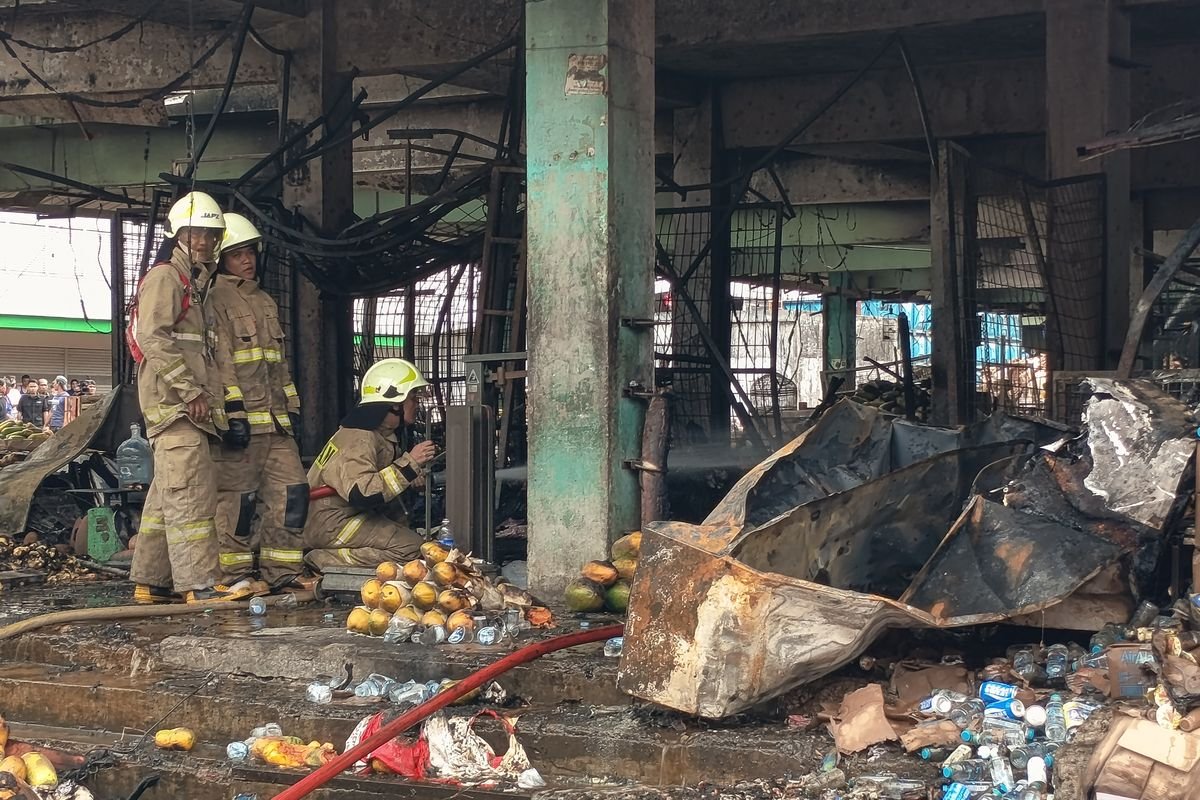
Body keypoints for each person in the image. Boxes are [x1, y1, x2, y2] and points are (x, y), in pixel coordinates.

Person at [128, 191, 235, 605]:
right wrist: (190, 392)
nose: (204, 242)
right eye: (196, 233)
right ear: (179, 235)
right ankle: (199, 584)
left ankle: (150, 582)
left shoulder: (193, 283)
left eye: (210, 234)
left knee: (166, 495)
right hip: (177, 407)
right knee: (191, 495)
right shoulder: (166, 278)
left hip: (183, 408)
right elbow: (152, 336)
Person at [209, 213, 311, 597]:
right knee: (237, 501)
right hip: (242, 424)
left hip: (276, 423)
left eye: (250, 252)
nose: (247, 260)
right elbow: (220, 362)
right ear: (221, 258)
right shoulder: (215, 298)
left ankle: (282, 571)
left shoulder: (264, 300)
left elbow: (277, 364)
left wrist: (293, 409)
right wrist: (232, 414)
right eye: (236, 254)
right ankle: (230, 574)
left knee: (293, 493)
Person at [303, 358, 437, 571]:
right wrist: (409, 464)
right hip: (333, 523)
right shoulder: (359, 438)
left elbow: (382, 478)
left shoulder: (379, 435)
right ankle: (322, 560)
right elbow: (362, 493)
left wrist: (408, 474)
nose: (417, 404)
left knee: (415, 546)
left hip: (342, 516)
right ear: (395, 404)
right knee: (411, 550)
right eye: (413, 398)